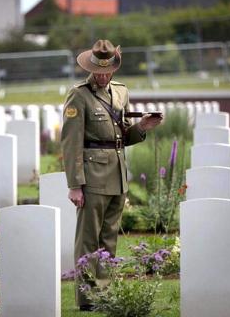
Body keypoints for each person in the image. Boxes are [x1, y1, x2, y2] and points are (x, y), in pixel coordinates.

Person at [61, 39, 163, 311]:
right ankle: (87, 299)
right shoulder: (78, 95)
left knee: (109, 240)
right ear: (91, 67)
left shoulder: (120, 93)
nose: (104, 76)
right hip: (92, 178)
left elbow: (122, 137)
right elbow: (71, 142)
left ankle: (105, 294)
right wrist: (75, 185)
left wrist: (141, 126)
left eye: (108, 71)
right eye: (99, 71)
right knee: (88, 240)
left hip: (118, 177)